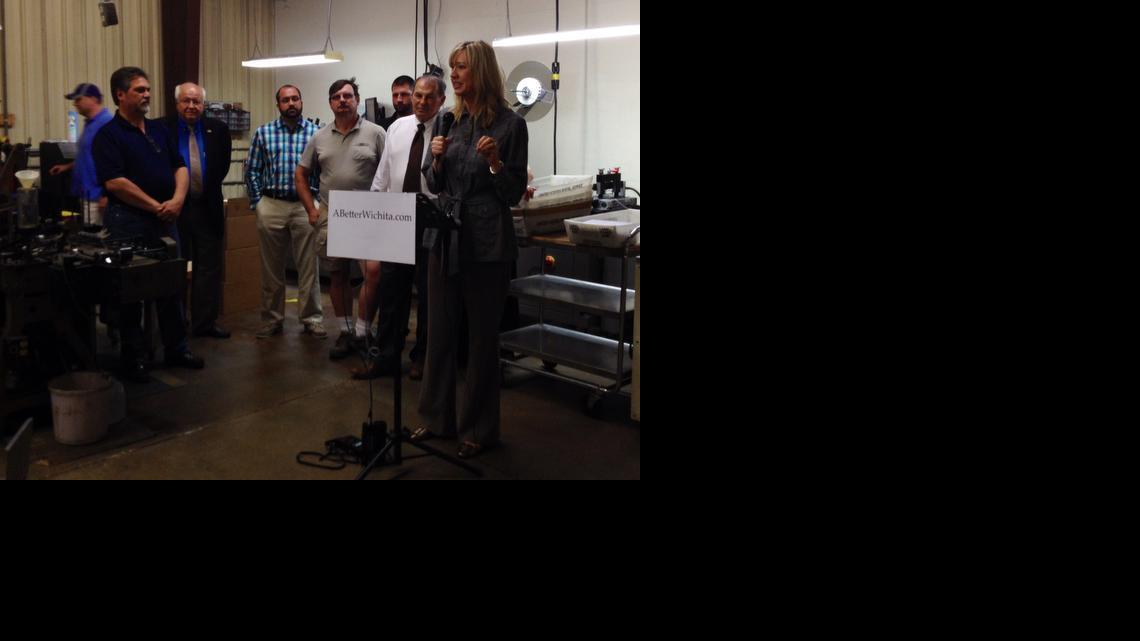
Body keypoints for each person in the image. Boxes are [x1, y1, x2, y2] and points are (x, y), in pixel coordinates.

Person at [408, 41, 528, 459]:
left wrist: (496, 163)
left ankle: (479, 428)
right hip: (446, 233)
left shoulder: (510, 126)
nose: (454, 75)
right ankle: (437, 418)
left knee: (480, 339)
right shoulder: (448, 119)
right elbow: (436, 183)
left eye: (462, 68)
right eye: (453, 68)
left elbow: (512, 193)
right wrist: (436, 161)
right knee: (439, 331)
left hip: (488, 239)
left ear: (480, 71)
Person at [92, 66, 205, 382]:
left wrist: (178, 200)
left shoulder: (158, 130)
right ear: (120, 94)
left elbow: (179, 166)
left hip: (166, 218)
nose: (147, 95)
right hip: (128, 222)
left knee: (172, 285)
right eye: (140, 90)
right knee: (132, 292)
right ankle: (134, 356)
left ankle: (176, 348)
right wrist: (157, 206)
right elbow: (115, 182)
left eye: (148, 90)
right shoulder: (108, 136)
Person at [353, 73, 446, 380]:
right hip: (395, 217)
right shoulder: (397, 128)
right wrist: (374, 216)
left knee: (429, 295)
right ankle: (386, 358)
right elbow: (383, 175)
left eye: (428, 97)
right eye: (417, 95)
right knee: (392, 293)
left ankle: (422, 358)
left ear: (441, 101)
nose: (421, 102)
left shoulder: (449, 130)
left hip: (431, 220)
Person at [296, 78, 386, 360]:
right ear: (331, 103)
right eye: (337, 96)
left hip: (367, 216)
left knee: (373, 272)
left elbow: (389, 171)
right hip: (332, 215)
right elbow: (301, 174)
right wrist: (312, 210)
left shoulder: (376, 133)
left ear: (357, 100)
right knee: (338, 274)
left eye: (348, 95)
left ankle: (363, 331)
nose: (343, 100)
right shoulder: (319, 137)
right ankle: (346, 331)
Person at [245, 85, 325, 340]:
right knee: (272, 269)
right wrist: (258, 203)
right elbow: (252, 170)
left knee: (309, 266)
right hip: (272, 204)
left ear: (301, 101)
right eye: (285, 100)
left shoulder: (316, 133)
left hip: (305, 207)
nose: (291, 103)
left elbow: (324, 172)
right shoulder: (263, 133)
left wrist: (316, 202)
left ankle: (311, 318)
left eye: (295, 99)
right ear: (277, 104)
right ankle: (272, 319)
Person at [168, 82, 232, 339]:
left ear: (203, 105)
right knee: (175, 267)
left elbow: (222, 166)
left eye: (196, 102)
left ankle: (204, 323)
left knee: (209, 268)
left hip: (208, 207)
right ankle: (175, 322)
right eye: (186, 101)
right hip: (174, 208)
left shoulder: (218, 129)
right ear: (177, 104)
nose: (191, 106)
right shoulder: (162, 129)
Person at [49, 83, 113, 225]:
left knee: (97, 241)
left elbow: (115, 163)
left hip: (98, 198)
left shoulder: (106, 124)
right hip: (87, 195)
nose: (74, 104)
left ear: (93, 99)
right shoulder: (90, 124)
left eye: (78, 99)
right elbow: (89, 155)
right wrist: (67, 166)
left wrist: (107, 196)